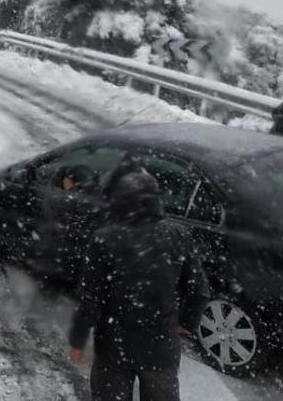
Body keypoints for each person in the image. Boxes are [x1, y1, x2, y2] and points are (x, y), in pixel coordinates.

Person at [68, 170, 210, 401]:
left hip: (114, 347)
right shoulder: (178, 235)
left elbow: (89, 298)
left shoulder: (104, 239)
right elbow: (199, 291)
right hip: (161, 348)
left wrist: (78, 340)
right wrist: (186, 322)